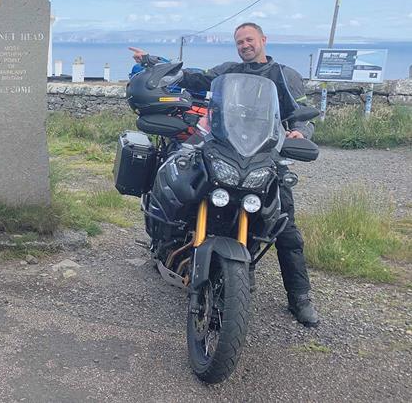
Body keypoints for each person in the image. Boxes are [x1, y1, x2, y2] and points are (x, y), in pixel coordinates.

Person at [129, 22, 320, 327]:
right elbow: (192, 77)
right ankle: (182, 254)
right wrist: (152, 61)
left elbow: (301, 111)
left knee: (285, 230)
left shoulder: (283, 76)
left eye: (249, 40)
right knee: (188, 194)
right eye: (240, 41)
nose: (245, 45)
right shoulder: (229, 71)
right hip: (226, 153)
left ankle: (300, 298)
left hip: (266, 158)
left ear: (263, 40)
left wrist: (300, 130)